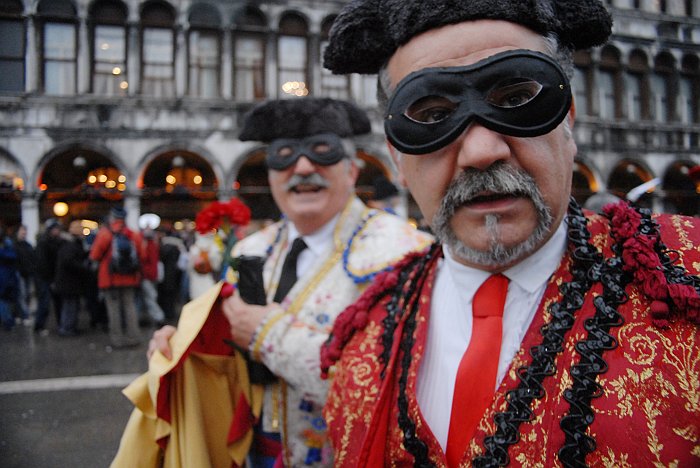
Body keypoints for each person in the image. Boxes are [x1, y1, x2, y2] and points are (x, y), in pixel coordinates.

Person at [319, 1, 700, 466]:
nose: (481, 150)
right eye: (433, 113)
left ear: (569, 120)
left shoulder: (686, 273)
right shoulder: (363, 337)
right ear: (396, 157)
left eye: (518, 100)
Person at [111, 97, 432, 467]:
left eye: (323, 152)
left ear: (352, 172)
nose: (303, 166)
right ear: (271, 176)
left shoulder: (404, 254)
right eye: (284, 155)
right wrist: (185, 350)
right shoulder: (253, 249)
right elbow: (231, 357)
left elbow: (402, 389)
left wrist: (270, 334)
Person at [89, 207, 143, 348]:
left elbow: (94, 255)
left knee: (114, 310)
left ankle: (117, 340)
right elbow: (141, 255)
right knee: (130, 307)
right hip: (130, 278)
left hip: (110, 279)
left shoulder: (105, 234)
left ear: (112, 217)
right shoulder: (133, 234)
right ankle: (133, 337)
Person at [54, 219, 90, 336]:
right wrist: (83, 267)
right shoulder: (70, 245)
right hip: (69, 283)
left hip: (68, 282)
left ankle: (68, 327)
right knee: (70, 306)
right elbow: (70, 262)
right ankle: (67, 328)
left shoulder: (68, 244)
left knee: (70, 305)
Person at [33, 218, 64, 334]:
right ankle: (39, 326)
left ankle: (61, 323)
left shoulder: (56, 242)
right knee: (44, 302)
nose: (58, 231)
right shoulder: (44, 242)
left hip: (52, 277)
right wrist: (50, 278)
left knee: (57, 302)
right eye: (56, 229)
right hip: (44, 278)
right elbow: (43, 263)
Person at [138, 215, 165, 327]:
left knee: (150, 297)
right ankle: (156, 317)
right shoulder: (151, 242)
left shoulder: (150, 243)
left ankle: (158, 317)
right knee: (150, 296)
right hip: (149, 274)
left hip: (149, 274)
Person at [13, 224, 37, 326]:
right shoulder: (14, 245)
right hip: (19, 273)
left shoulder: (27, 245)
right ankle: (24, 315)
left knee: (25, 295)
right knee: (22, 295)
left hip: (28, 273)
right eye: (22, 231)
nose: (24, 233)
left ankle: (20, 314)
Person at [0, 224, 18, 330]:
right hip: (5, 278)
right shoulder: (6, 247)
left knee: (5, 300)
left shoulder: (7, 245)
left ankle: (8, 320)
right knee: (3, 301)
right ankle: (8, 321)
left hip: (7, 278)